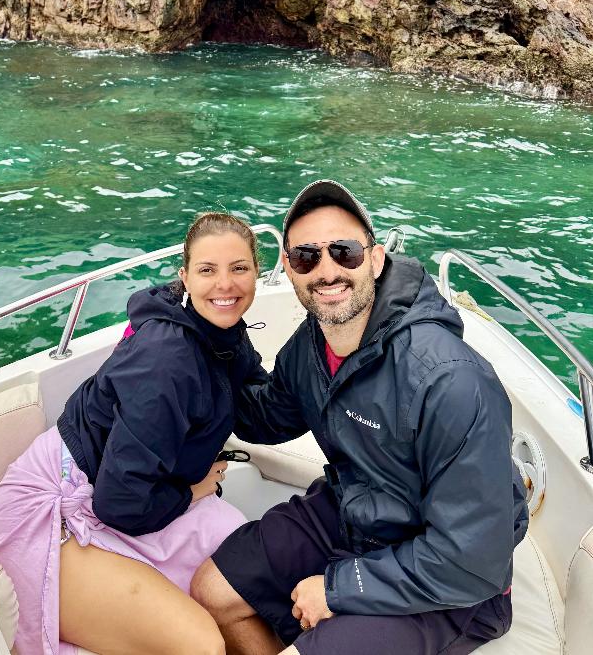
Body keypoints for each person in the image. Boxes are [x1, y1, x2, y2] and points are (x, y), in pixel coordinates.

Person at [191, 179, 529, 655]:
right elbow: (265, 417)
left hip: (450, 581)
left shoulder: (451, 381)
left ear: (375, 258)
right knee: (212, 592)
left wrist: (336, 589)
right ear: (289, 268)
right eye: (307, 256)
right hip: (356, 512)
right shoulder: (312, 347)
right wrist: (211, 332)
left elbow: (473, 561)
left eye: (344, 251)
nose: (327, 271)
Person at [0, 211, 268, 655]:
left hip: (133, 488)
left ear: (257, 273)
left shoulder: (222, 335)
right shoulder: (166, 361)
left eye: (239, 269)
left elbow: (258, 409)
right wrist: (190, 493)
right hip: (58, 509)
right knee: (200, 645)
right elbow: (118, 504)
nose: (225, 285)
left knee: (244, 572)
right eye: (208, 270)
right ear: (185, 278)